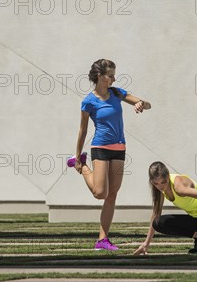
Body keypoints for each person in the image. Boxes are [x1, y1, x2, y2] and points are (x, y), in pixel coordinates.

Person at [67, 59, 151, 251]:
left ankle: (102, 240)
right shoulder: (89, 101)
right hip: (100, 148)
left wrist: (140, 103)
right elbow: (82, 130)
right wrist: (78, 154)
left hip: (120, 148)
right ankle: (82, 165)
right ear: (100, 77)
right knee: (100, 193)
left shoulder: (116, 93)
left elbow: (147, 104)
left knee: (112, 195)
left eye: (114, 75)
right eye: (110, 75)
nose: (114, 78)